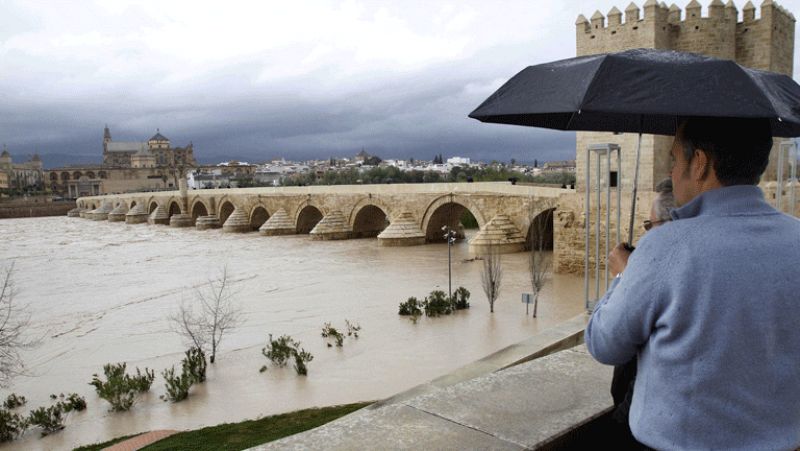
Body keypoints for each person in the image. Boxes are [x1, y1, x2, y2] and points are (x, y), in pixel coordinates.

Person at [585, 117, 800, 450]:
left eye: (675, 160)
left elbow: (604, 343)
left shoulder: (668, 245)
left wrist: (624, 275)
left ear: (699, 163)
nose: (671, 172)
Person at [604, 178, 675, 448]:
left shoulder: (662, 272)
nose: (646, 235)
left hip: (652, 428)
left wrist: (625, 275)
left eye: (649, 225)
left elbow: (605, 344)